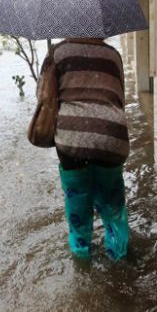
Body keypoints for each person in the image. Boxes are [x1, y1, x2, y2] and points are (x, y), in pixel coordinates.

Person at [49, 37, 130, 260]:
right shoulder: (113, 55)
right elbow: (119, 98)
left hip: (71, 137)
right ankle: (119, 257)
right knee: (112, 208)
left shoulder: (58, 53)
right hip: (110, 136)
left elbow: (45, 99)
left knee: (78, 207)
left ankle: (82, 258)